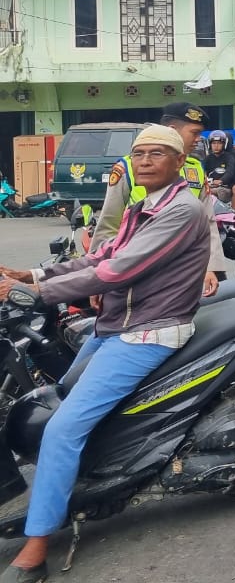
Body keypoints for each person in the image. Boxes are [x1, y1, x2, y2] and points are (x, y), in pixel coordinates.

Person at [0, 125, 210, 582]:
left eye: (158, 153)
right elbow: (98, 257)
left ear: (179, 162)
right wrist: (32, 274)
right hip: (115, 326)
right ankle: (78, 481)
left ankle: (35, 552)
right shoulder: (141, 209)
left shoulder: (182, 210)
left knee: (60, 430)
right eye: (140, 153)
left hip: (149, 332)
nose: (146, 160)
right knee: (54, 398)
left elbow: (118, 271)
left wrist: (35, 294)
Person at [91, 101, 221, 297]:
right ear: (172, 131)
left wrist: (211, 266)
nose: (198, 139)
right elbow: (109, 224)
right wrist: (98, 278)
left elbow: (208, 222)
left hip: (184, 270)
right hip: (137, 266)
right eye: (194, 133)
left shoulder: (195, 169)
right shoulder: (129, 167)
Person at [203, 129, 235, 210]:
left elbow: (231, 172)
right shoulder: (208, 158)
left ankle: (234, 212)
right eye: (213, 143)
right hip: (215, 182)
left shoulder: (233, 156)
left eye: (219, 143)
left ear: (225, 143)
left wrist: (222, 180)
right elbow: (204, 171)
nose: (216, 146)